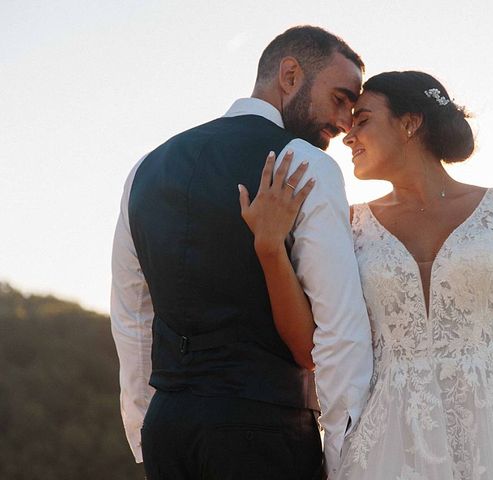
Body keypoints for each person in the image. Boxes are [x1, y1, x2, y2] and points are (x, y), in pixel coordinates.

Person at [239, 71, 493, 479]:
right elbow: (313, 344)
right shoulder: (348, 226)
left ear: (410, 123)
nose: (347, 136)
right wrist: (270, 248)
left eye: (362, 120)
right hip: (386, 443)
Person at [110, 25, 373, 480]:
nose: (346, 120)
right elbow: (338, 329)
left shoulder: (145, 168)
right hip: (264, 432)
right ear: (290, 75)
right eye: (340, 98)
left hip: (169, 432)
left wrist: (145, 430)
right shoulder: (307, 166)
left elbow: (133, 316)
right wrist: (342, 455)